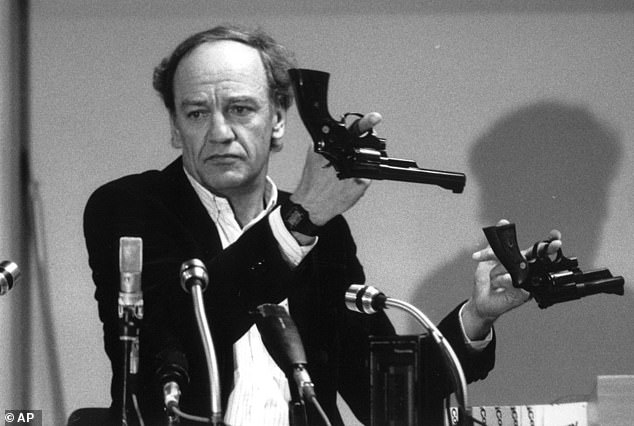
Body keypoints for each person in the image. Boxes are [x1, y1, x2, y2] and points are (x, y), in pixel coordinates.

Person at [83, 24, 562, 426]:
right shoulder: (128, 207)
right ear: (174, 127)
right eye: (196, 113)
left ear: (278, 121)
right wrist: (300, 221)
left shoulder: (323, 230)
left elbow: (382, 396)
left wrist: (477, 317)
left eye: (240, 109)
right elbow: (179, 336)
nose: (220, 132)